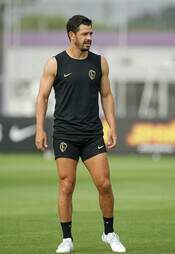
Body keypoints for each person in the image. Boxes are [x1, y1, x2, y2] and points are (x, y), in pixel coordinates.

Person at [35, 15, 126, 253]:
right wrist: (39, 129)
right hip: (65, 133)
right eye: (85, 34)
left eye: (91, 34)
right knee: (66, 185)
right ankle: (67, 239)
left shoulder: (100, 62)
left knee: (104, 184)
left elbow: (106, 95)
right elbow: (42, 97)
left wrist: (112, 126)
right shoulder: (55, 63)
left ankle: (109, 233)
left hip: (92, 134)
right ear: (71, 35)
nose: (89, 38)